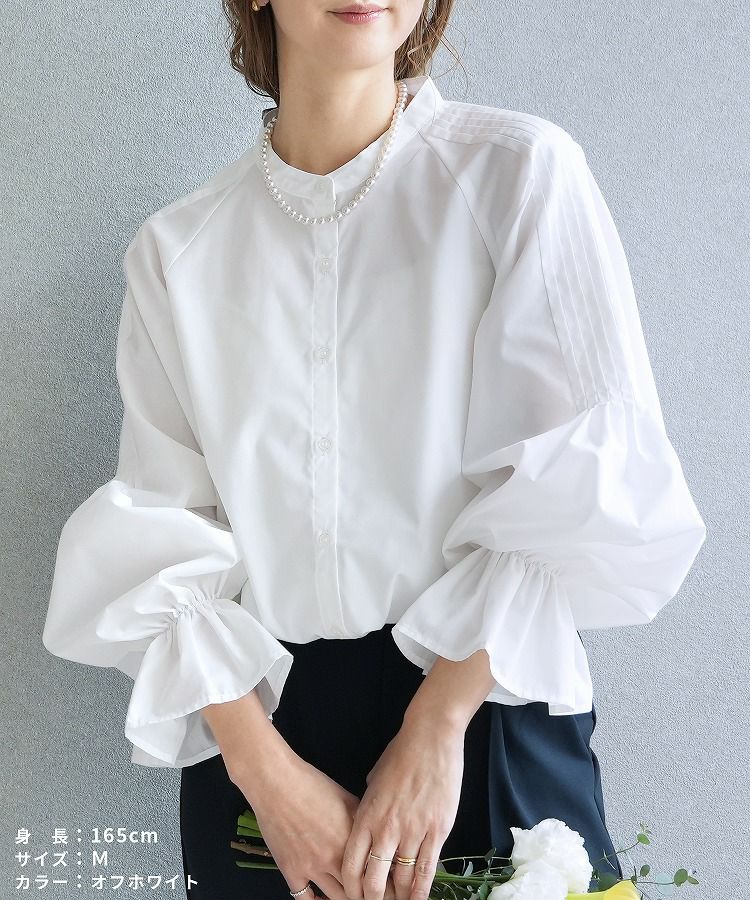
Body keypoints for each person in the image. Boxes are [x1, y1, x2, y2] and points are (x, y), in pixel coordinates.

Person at [42, 1, 707, 899]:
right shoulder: (179, 252)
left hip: (482, 710)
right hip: (260, 746)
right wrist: (264, 775)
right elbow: (164, 532)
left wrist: (437, 729)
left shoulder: (518, 174)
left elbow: (594, 473)